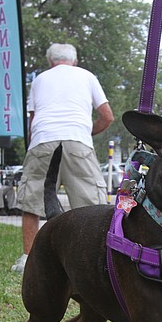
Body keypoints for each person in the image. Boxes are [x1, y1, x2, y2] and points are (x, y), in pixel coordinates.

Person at [11, 42, 114, 272]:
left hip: (43, 139)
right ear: (75, 61)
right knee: (91, 205)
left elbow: (33, 119)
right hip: (78, 141)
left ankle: (28, 258)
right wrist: (86, 132)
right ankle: (95, 257)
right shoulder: (87, 76)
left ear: (51, 62)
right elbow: (107, 116)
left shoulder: (39, 79)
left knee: (32, 202)